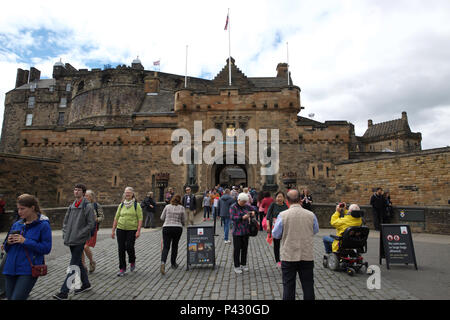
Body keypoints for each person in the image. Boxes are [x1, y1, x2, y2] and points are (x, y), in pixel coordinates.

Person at [2, 194, 51, 300]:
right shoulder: (17, 224)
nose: (19, 212)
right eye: (18, 209)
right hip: (10, 268)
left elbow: (46, 248)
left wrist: (25, 241)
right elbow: (6, 248)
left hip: (28, 269)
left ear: (32, 208)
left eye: (22, 209)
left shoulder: (43, 225)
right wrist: (8, 243)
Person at [272, 189, 319, 301]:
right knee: (308, 285)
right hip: (306, 254)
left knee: (288, 286)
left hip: (289, 255)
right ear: (299, 200)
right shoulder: (310, 215)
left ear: (287, 200)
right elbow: (315, 230)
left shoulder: (282, 215)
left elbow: (276, 234)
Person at [53, 184, 96, 300]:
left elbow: (91, 224)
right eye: (75, 190)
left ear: (83, 193)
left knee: (73, 264)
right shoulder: (71, 206)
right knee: (78, 262)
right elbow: (65, 221)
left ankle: (64, 292)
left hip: (80, 239)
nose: (76, 192)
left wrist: (80, 233)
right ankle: (86, 284)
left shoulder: (87, 206)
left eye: (79, 190)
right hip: (71, 238)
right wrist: (65, 232)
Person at [111, 187, 143, 277]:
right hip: (120, 229)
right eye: (126, 193)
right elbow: (116, 218)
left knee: (129, 246)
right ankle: (122, 268)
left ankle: (132, 260)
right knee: (121, 249)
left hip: (132, 229)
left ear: (133, 194)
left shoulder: (137, 205)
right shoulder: (121, 205)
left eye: (129, 193)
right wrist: (113, 230)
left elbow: (140, 218)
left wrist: (138, 230)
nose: (127, 194)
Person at [230, 193, 256, 274]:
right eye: (243, 202)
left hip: (245, 231)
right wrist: (242, 217)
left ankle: (243, 264)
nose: (244, 203)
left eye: (245, 202)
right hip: (237, 232)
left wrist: (253, 212)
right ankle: (236, 266)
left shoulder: (246, 206)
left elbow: (254, 208)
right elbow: (232, 217)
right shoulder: (233, 207)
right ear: (239, 200)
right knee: (237, 249)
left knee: (244, 248)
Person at [160, 194, 185, 275]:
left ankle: (163, 262)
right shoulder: (181, 208)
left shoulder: (167, 207)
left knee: (166, 247)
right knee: (175, 245)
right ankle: (173, 263)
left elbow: (162, 218)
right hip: (177, 228)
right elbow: (184, 220)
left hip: (167, 227)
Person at [82, 190, 104, 273]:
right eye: (85, 196)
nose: (86, 197)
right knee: (81, 247)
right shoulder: (82, 205)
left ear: (91, 197)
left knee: (85, 246)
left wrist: (95, 219)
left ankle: (91, 261)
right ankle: (83, 266)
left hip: (92, 229)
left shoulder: (96, 205)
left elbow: (102, 217)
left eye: (87, 196)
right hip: (82, 229)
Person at [266, 191, 288, 267]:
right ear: (275, 198)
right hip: (275, 226)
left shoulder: (286, 206)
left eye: (281, 197)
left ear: (283, 198)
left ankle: (285, 258)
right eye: (278, 197)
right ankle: (277, 260)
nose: (279, 198)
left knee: (285, 243)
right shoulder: (273, 205)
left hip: (284, 227)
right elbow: (268, 216)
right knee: (276, 244)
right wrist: (268, 226)